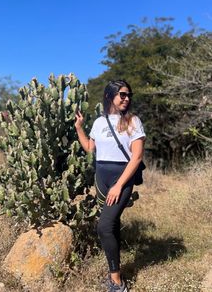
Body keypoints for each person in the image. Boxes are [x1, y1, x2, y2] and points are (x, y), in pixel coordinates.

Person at [74, 80, 146, 292]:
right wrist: (79, 128)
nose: (126, 98)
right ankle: (116, 270)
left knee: (103, 226)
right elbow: (89, 148)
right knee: (112, 224)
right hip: (101, 177)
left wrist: (118, 186)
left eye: (128, 95)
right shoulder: (99, 121)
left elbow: (137, 156)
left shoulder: (133, 121)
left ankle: (116, 283)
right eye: (122, 94)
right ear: (109, 96)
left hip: (121, 179)